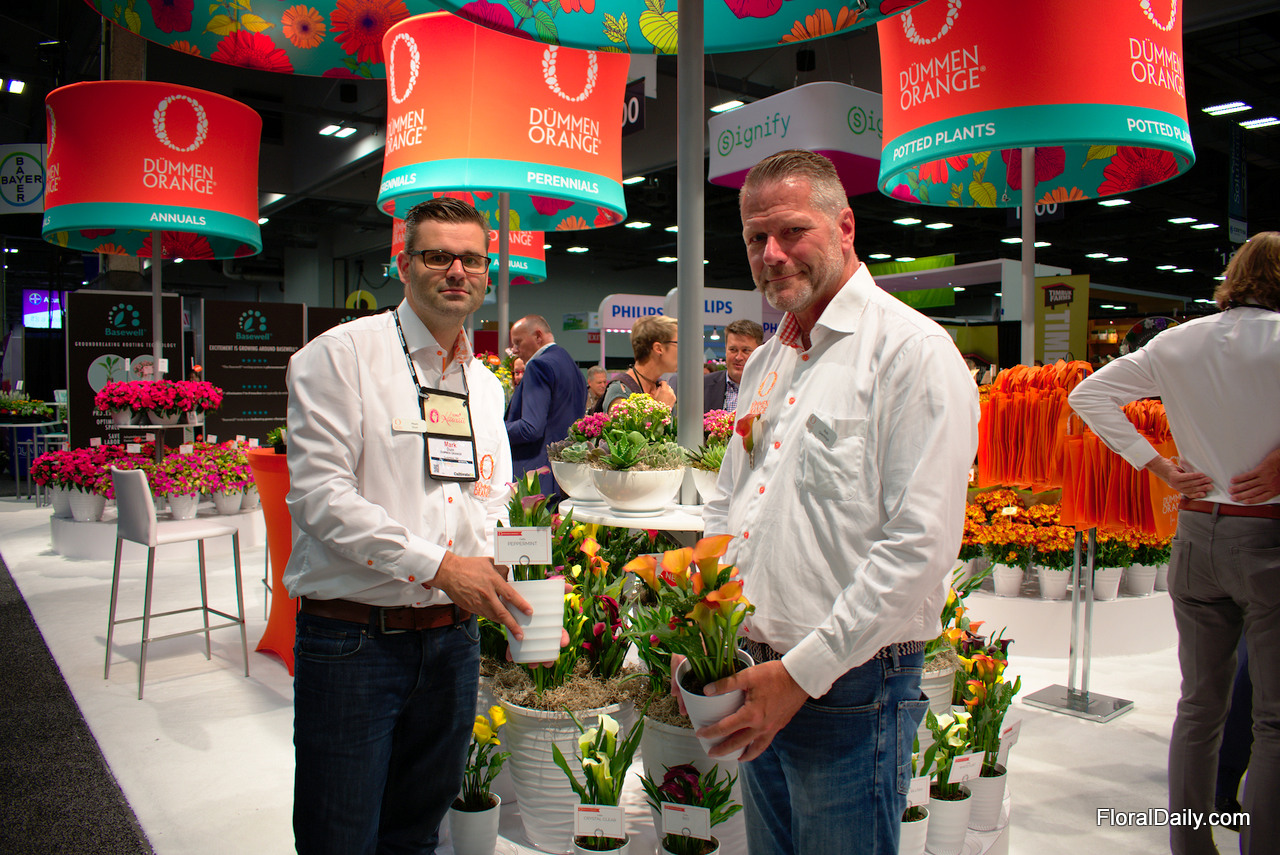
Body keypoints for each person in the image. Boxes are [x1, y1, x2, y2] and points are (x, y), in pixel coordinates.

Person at [699, 150, 979, 855]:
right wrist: (703, 626)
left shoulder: (911, 352)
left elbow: (919, 546)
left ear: (845, 227)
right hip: (755, 668)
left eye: (792, 231)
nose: (771, 253)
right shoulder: (769, 360)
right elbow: (729, 500)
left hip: (852, 686)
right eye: (755, 238)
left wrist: (800, 674)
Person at [283, 197, 533, 855]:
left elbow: (493, 495)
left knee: (418, 834)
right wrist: (441, 567)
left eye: (471, 259)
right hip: (354, 641)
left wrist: (508, 574)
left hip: (453, 643)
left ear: (487, 272)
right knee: (340, 837)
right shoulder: (341, 357)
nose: (457, 271)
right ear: (403, 263)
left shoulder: (485, 386)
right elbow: (320, 497)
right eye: (437, 255)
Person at [1068, 231, 1280, 855]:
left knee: (1198, 707)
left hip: (1196, 537)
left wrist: (1156, 465)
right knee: (1272, 719)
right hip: (1268, 537)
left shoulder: (1179, 340)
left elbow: (1088, 394)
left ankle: (1189, 846)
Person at [505, 314, 587, 494]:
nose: (515, 350)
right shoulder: (572, 366)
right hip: (565, 477)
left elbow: (530, 428)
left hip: (537, 478)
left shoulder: (538, 366)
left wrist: (496, 429)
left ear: (538, 336)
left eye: (518, 342)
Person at [601, 314, 678, 412]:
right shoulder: (621, 391)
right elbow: (623, 422)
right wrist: (660, 408)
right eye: (677, 343)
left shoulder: (663, 390)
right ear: (658, 348)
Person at [704, 318, 764, 413]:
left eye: (745, 350)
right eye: (733, 350)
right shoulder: (703, 387)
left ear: (760, 352)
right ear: (725, 350)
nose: (738, 357)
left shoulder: (771, 388)